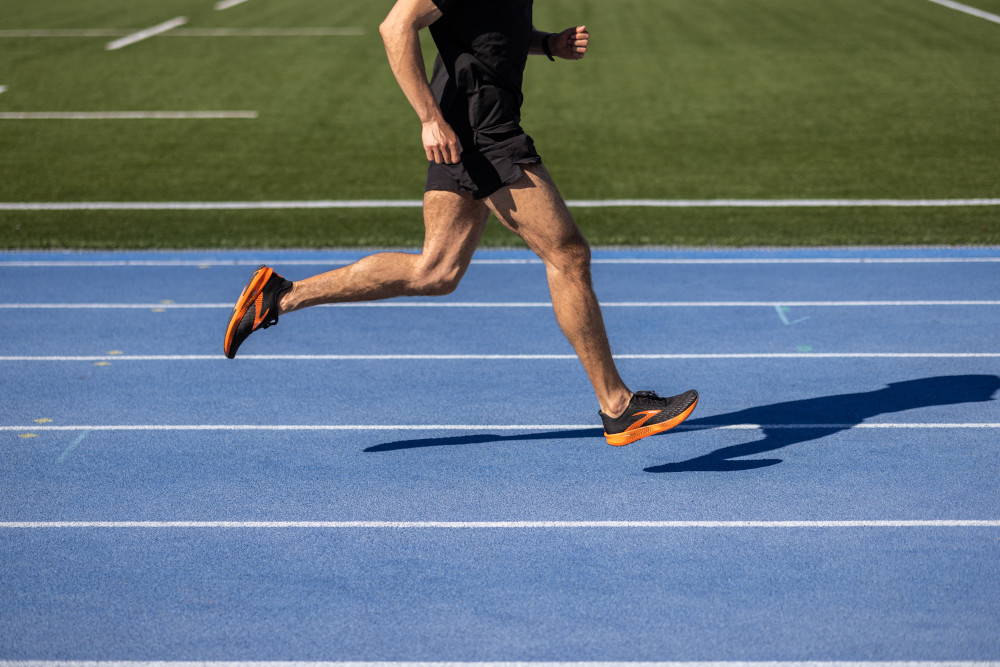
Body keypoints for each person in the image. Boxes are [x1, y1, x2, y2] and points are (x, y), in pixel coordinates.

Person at [223, 0, 698, 446]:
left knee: (436, 271)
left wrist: (547, 44)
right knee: (567, 254)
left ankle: (280, 296)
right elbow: (395, 26)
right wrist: (428, 118)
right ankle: (618, 406)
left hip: (471, 130)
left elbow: (490, 32)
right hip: (480, 134)